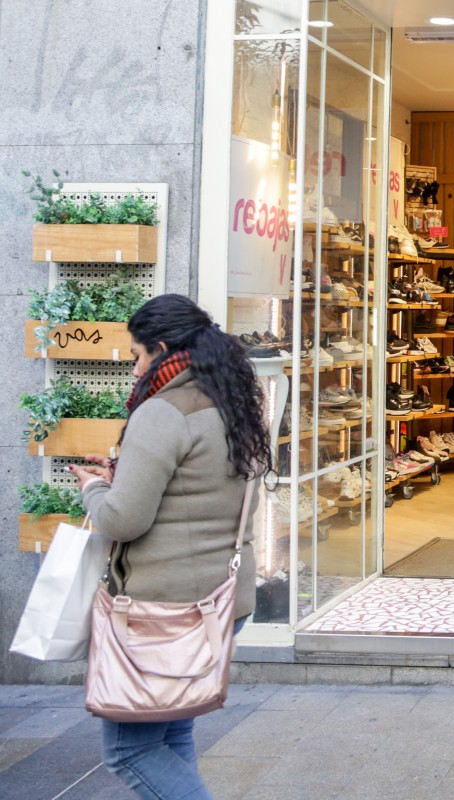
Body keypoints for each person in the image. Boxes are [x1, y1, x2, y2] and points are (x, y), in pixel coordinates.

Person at [68, 294, 271, 800]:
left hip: (164, 608)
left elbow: (123, 519)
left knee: (131, 751)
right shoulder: (231, 403)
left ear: (161, 349)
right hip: (221, 598)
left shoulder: (162, 411)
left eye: (138, 355)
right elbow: (198, 486)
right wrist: (126, 474)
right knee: (173, 731)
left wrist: (94, 488)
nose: (135, 369)